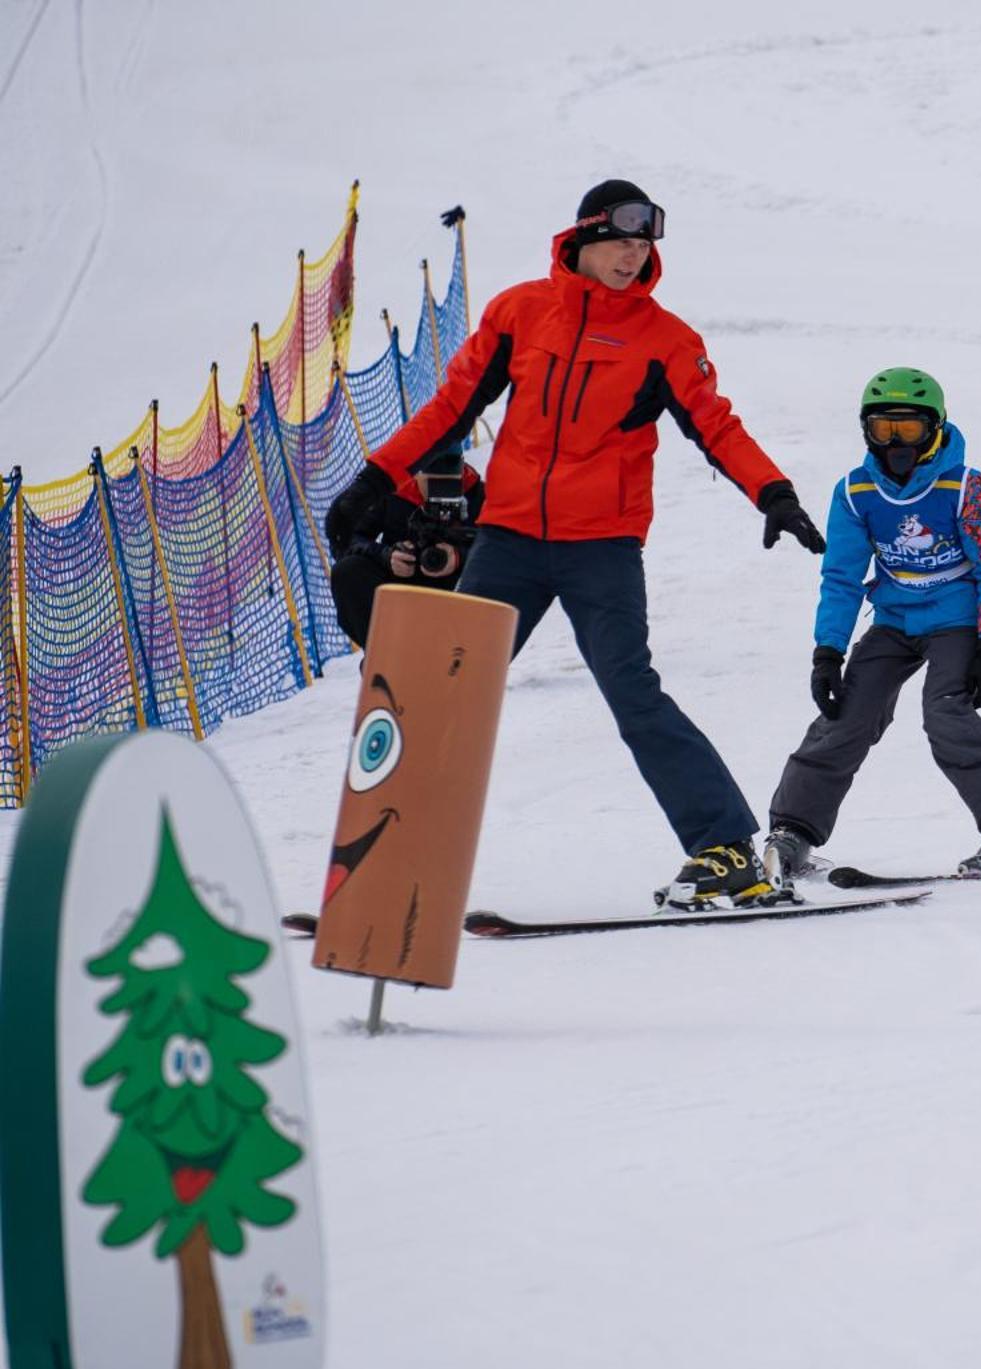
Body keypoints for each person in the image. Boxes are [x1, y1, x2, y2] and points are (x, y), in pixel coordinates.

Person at [339, 179, 826, 908]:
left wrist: (773, 492)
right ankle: (384, 857)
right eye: (622, 242)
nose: (634, 257)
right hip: (505, 541)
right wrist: (377, 478)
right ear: (585, 239)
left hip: (601, 549)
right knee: (444, 684)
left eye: (644, 245)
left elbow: (715, 426)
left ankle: (724, 847)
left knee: (633, 692)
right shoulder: (520, 313)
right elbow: (452, 406)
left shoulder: (665, 340)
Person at [762, 367, 981, 879]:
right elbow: (841, 577)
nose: (896, 442)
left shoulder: (963, 486)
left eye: (909, 429)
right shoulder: (856, 492)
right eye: (884, 430)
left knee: (946, 715)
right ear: (866, 432)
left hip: (959, 620)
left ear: (936, 429)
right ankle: (793, 831)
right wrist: (828, 652)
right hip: (896, 619)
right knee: (846, 715)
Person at [324, 449, 481, 645]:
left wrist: (459, 557)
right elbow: (345, 537)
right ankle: (381, 652)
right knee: (347, 571)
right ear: (417, 474)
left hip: (456, 596)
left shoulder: (477, 495)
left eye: (449, 484)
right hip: (401, 589)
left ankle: (468, 651)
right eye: (434, 484)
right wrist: (385, 555)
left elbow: (500, 550)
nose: (441, 493)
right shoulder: (393, 492)